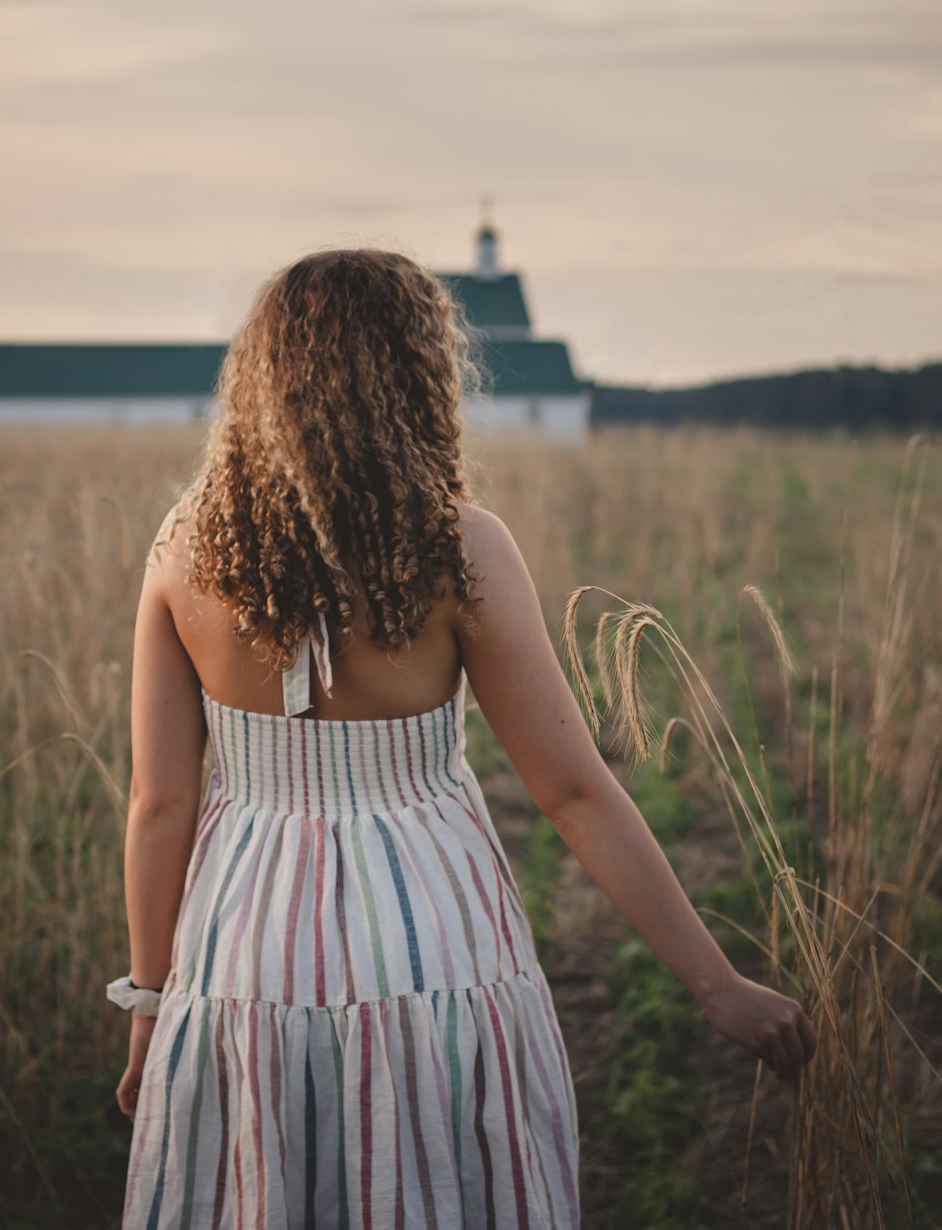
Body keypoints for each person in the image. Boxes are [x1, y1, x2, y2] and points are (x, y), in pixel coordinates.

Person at [108, 247, 817, 1229]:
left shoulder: (183, 545)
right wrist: (719, 985)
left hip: (242, 955)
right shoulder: (460, 548)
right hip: (433, 947)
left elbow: (160, 804)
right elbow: (572, 793)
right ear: (416, 377)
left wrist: (149, 1014)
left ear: (262, 378)